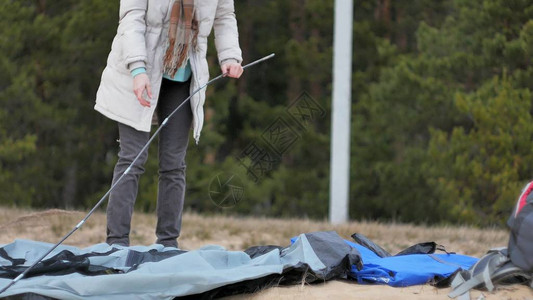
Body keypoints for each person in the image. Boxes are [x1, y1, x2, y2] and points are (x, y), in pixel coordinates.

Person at [94, 0, 243, 248]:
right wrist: (138, 69)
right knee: (132, 158)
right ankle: (116, 245)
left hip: (183, 75)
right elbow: (131, 18)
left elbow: (225, 16)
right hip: (138, 69)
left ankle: (167, 245)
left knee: (174, 164)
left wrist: (230, 56)